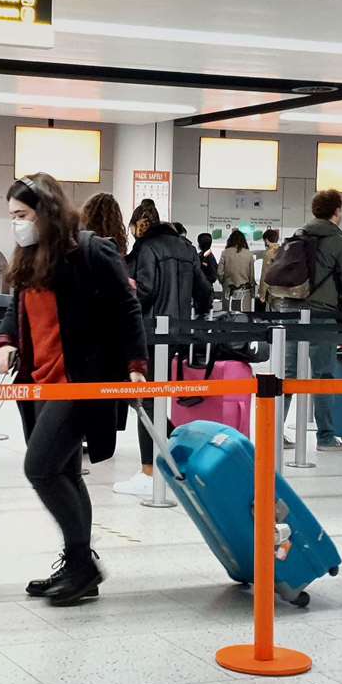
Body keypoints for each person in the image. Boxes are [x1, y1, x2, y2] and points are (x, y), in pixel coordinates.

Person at [0, 174, 147, 606]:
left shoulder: (92, 250)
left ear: (46, 211)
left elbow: (127, 307)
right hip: (39, 382)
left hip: (80, 382)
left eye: (22, 215)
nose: (17, 224)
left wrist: (136, 365)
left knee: (39, 468)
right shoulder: (28, 257)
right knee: (65, 472)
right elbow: (18, 312)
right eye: (13, 217)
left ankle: (83, 564)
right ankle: (80, 567)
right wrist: (5, 343)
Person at [118, 199, 213, 495]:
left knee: (146, 398)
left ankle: (150, 471)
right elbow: (205, 292)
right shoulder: (185, 247)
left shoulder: (146, 248)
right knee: (154, 397)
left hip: (149, 332)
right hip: (178, 334)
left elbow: (144, 291)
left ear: (137, 226)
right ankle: (177, 447)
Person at [274, 190, 342, 450]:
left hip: (289, 308)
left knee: (287, 374)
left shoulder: (298, 235)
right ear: (337, 211)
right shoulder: (338, 241)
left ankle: (275, 433)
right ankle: (325, 437)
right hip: (321, 313)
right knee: (323, 373)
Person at [219, 229, 255, 310]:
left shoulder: (225, 253)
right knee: (244, 317)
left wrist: (224, 282)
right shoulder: (249, 254)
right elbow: (252, 276)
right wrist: (252, 292)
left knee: (228, 316)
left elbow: (219, 272)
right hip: (245, 292)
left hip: (228, 291)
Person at [257, 227, 281, 307]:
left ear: (266, 240)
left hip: (272, 291)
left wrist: (262, 294)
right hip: (283, 291)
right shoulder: (283, 250)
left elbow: (265, 274)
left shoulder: (269, 253)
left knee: (271, 314)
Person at [197, 231, 220, 295]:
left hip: (204, 289)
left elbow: (213, 276)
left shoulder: (208, 257)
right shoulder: (202, 255)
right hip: (202, 288)